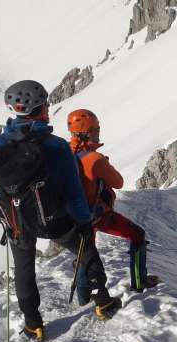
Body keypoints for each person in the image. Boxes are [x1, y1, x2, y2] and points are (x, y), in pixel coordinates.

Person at [0, 81, 118, 342]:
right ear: (40, 108)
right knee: (85, 247)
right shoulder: (56, 147)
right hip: (55, 219)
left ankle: (34, 324)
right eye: (46, 104)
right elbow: (73, 192)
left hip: (17, 220)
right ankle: (102, 301)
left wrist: (4, 217)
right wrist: (83, 222)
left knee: (24, 270)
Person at [66, 109, 160, 292]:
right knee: (137, 235)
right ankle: (139, 282)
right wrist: (104, 164)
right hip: (97, 214)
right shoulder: (94, 159)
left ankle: (84, 300)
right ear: (85, 132)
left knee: (84, 255)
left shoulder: (64, 153)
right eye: (94, 130)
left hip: (75, 217)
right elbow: (118, 182)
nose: (98, 133)